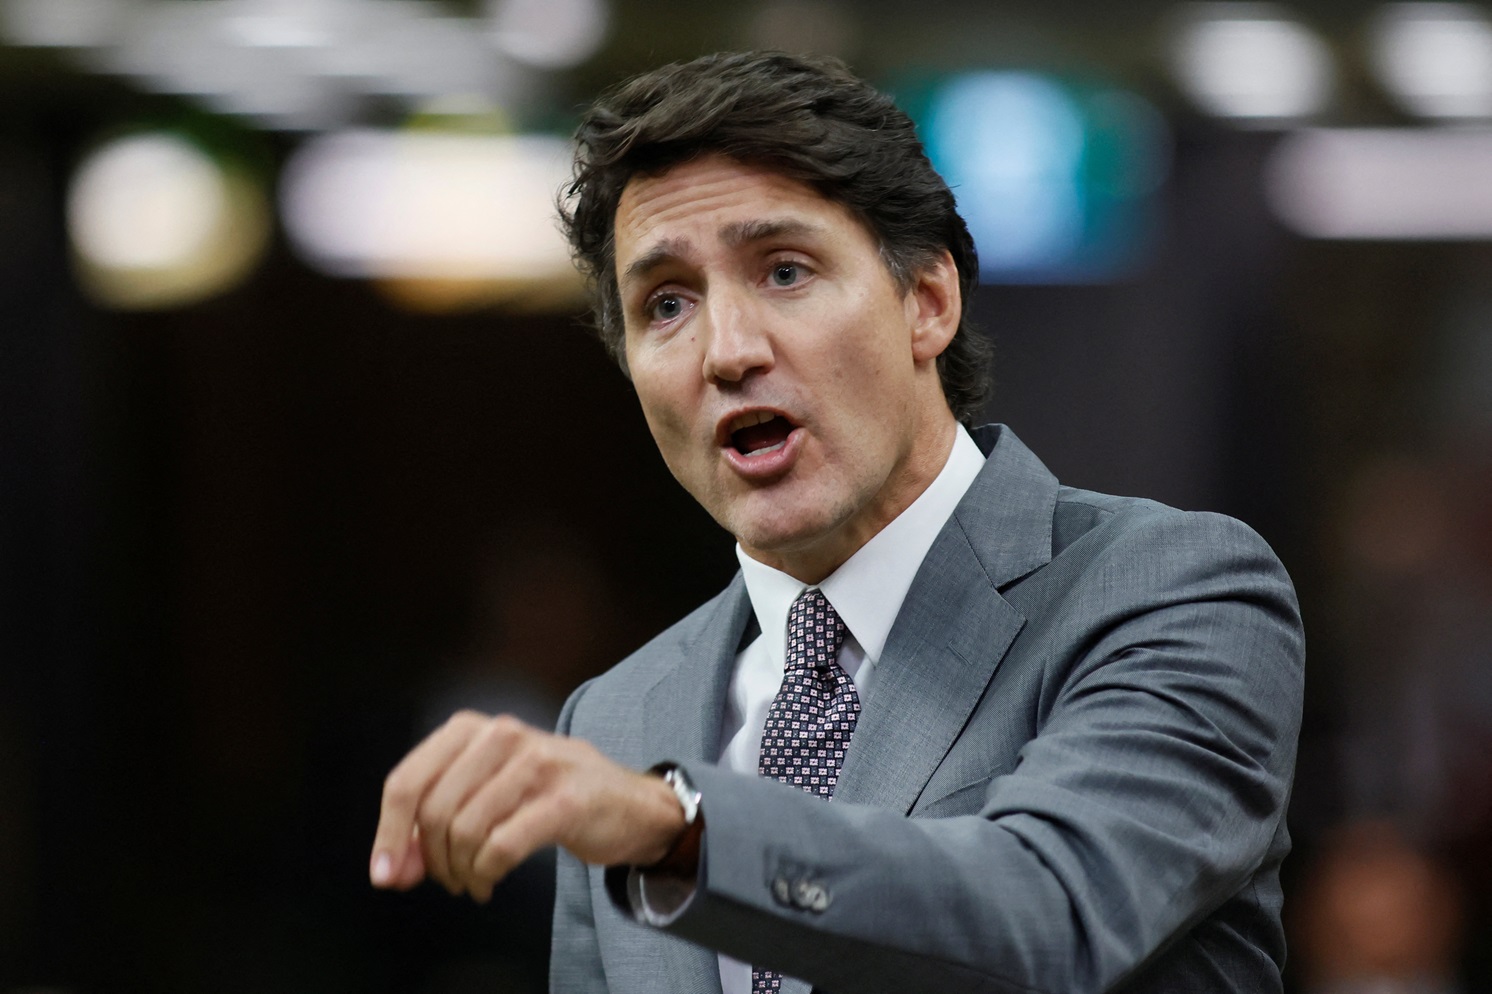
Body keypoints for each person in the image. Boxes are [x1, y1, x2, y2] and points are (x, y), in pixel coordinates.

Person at [369, 51, 1305, 994]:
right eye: (667, 303)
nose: (727, 351)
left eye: (784, 270)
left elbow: (1051, 914)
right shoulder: (616, 720)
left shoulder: (1174, 591)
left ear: (927, 302)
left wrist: (680, 834)